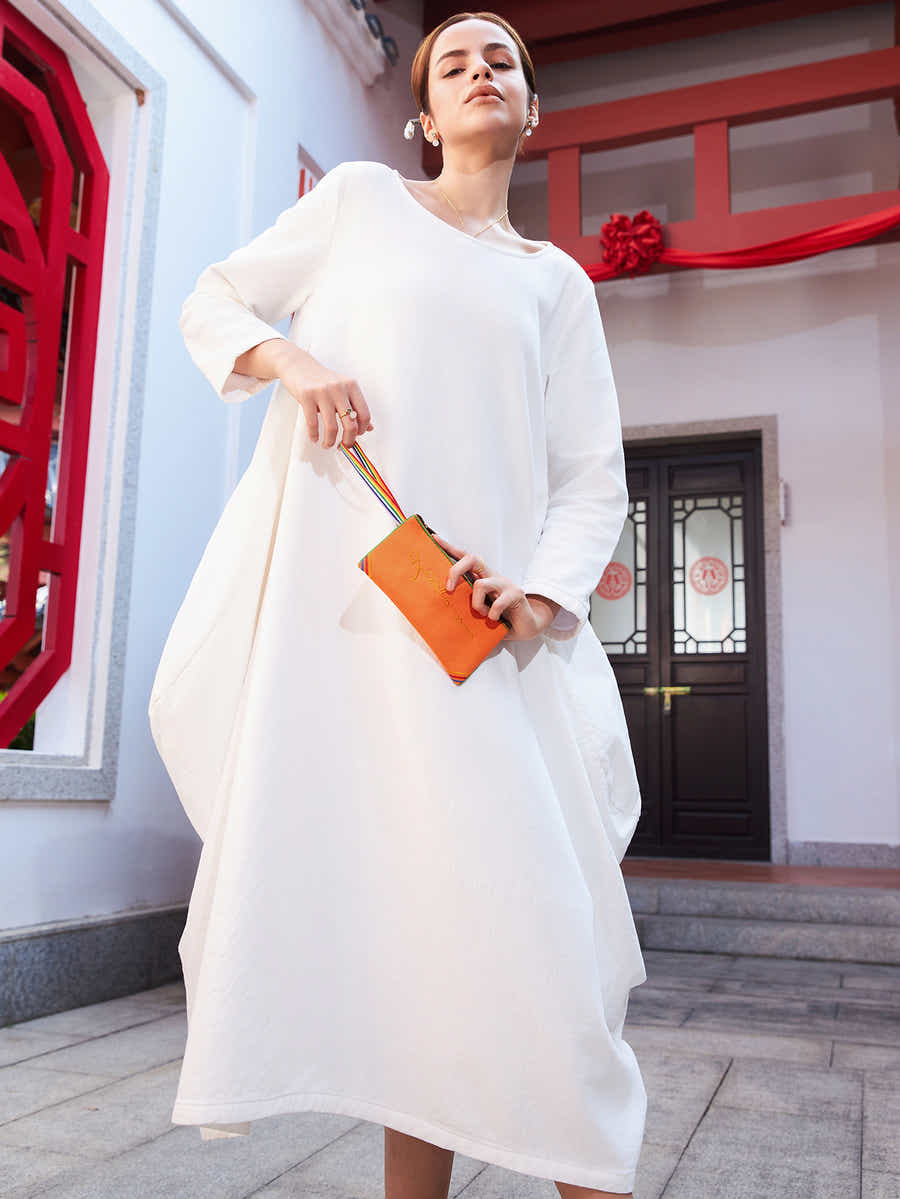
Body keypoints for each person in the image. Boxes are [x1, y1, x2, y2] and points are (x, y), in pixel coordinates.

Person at [149, 10, 648, 1199]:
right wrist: (292, 361)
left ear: (534, 109)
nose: (481, 72)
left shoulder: (556, 283)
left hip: (481, 650)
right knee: (405, 967)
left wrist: (537, 594)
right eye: (454, 62)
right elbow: (216, 300)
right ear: (423, 115)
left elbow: (591, 476)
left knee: (548, 963)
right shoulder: (360, 202)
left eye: (503, 62)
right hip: (349, 645)